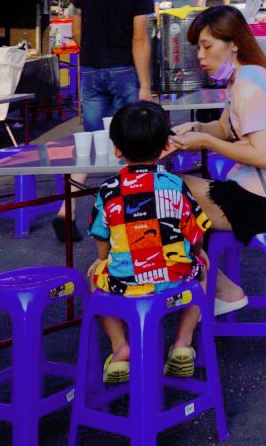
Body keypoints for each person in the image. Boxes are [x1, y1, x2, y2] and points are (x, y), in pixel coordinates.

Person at [171, 5, 266, 314]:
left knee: (165, 192)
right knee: (170, 193)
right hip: (264, 193)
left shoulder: (248, 86)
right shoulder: (244, 78)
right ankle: (207, 289)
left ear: (233, 43)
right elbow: (225, 127)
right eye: (199, 48)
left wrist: (205, 141)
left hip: (264, 203)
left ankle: (220, 289)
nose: (201, 56)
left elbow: (262, 155)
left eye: (207, 46)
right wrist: (197, 128)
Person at [88, 100, 209, 383]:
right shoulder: (176, 185)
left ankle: (120, 347)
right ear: (164, 147)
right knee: (203, 269)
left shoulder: (108, 191)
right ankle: (183, 341)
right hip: (175, 278)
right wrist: (198, 254)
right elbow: (196, 233)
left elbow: (101, 240)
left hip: (125, 282)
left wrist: (103, 260)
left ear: (117, 149)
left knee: (94, 277)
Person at [63, 0, 155, 241]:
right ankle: (127, 214)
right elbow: (140, 39)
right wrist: (145, 84)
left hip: (89, 70)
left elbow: (76, 32)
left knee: (90, 142)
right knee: (131, 144)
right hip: (123, 72)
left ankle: (66, 210)